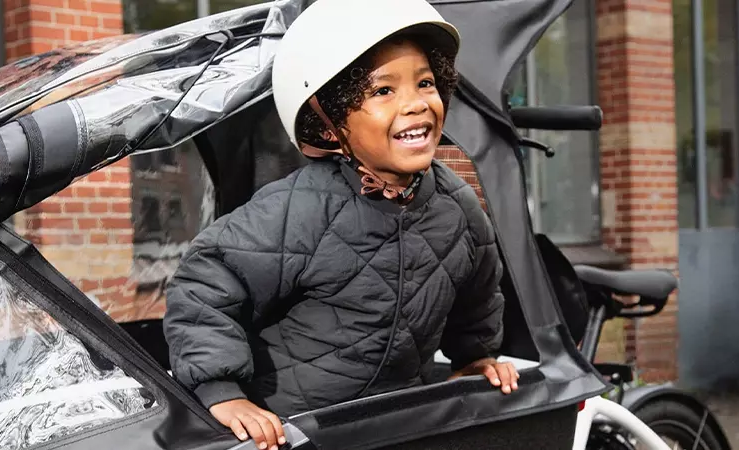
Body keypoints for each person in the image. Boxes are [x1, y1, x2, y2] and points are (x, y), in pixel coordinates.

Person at [162, 0, 517, 448]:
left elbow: (478, 293)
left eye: (425, 83)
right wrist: (222, 391)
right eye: (383, 91)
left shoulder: (458, 207)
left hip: (401, 426)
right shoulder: (300, 208)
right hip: (294, 429)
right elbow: (205, 282)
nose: (416, 103)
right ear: (329, 125)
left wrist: (473, 359)